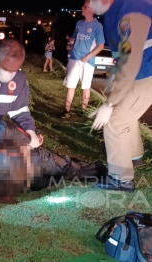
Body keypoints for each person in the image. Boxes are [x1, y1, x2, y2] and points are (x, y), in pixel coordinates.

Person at [89, 0, 152, 191]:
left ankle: (121, 179)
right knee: (126, 115)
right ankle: (134, 158)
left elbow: (129, 62)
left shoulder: (130, 10)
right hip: (142, 71)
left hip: (145, 73)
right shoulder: (115, 10)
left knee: (115, 121)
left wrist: (109, 104)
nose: (90, 6)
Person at [61, 0, 105, 119]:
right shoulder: (79, 23)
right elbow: (74, 38)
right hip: (74, 58)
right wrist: (71, 42)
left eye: (85, 7)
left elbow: (101, 45)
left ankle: (83, 111)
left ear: (92, 10)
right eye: (83, 6)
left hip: (88, 62)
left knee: (86, 87)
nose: (82, 8)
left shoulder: (97, 26)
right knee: (71, 85)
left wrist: (88, 56)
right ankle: (66, 111)